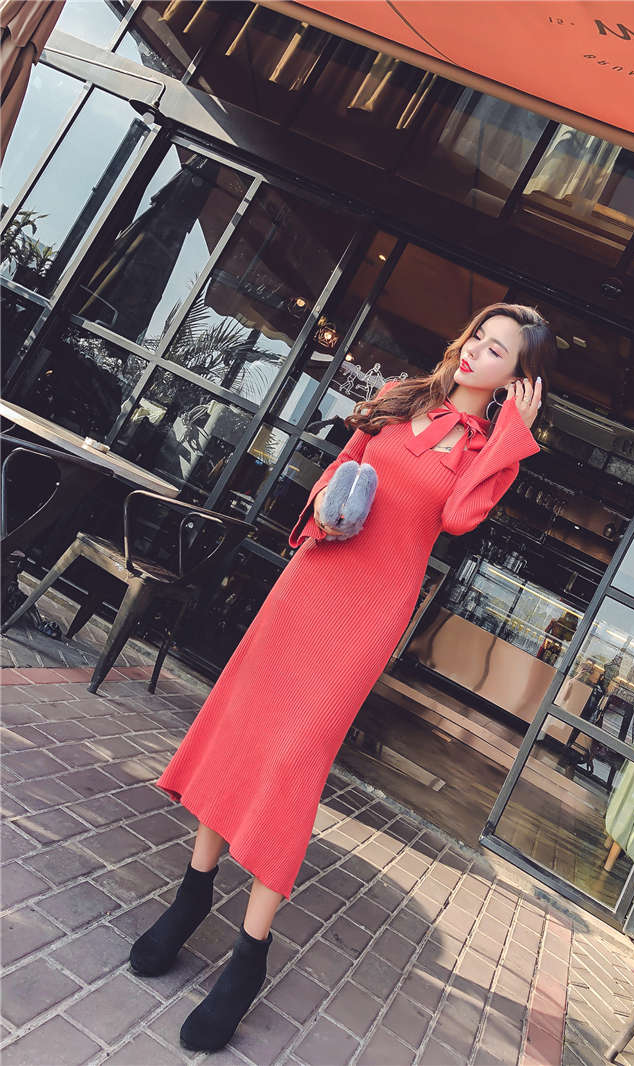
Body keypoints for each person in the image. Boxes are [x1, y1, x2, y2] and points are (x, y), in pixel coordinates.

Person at [128, 301, 556, 1052]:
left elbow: (459, 518)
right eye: (477, 337)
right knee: (247, 730)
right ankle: (193, 894)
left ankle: (249, 954)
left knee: (294, 761)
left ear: (517, 380)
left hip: (367, 617)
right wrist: (324, 511)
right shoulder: (399, 397)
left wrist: (510, 436)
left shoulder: (484, 451)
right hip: (313, 582)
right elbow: (335, 473)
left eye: (498, 352)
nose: (476, 352)